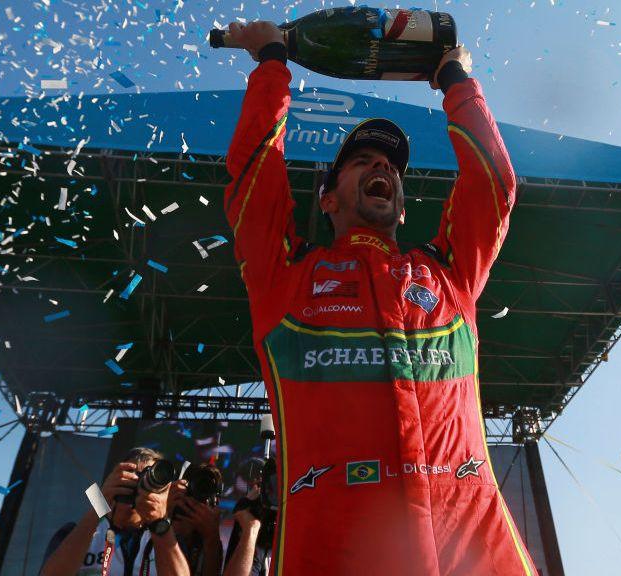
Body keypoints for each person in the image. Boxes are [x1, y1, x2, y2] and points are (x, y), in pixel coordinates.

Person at [221, 19, 537, 576]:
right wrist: (272, 61)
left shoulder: (448, 277)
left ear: (404, 204)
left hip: (478, 554)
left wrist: (458, 83)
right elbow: (253, 173)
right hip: (335, 552)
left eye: (390, 164)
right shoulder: (286, 277)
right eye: (362, 161)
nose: (382, 166)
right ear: (327, 199)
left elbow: (495, 187)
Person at [40, 447, 191, 576]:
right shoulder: (78, 533)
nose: (139, 483)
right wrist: (100, 503)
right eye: (131, 474)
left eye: (147, 477)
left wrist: (159, 522)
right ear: (114, 479)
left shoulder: (167, 540)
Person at [170, 464, 224, 576]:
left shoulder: (210, 538)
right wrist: (166, 519)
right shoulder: (162, 523)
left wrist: (211, 538)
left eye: (207, 488)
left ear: (215, 499)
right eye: (198, 486)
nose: (201, 493)